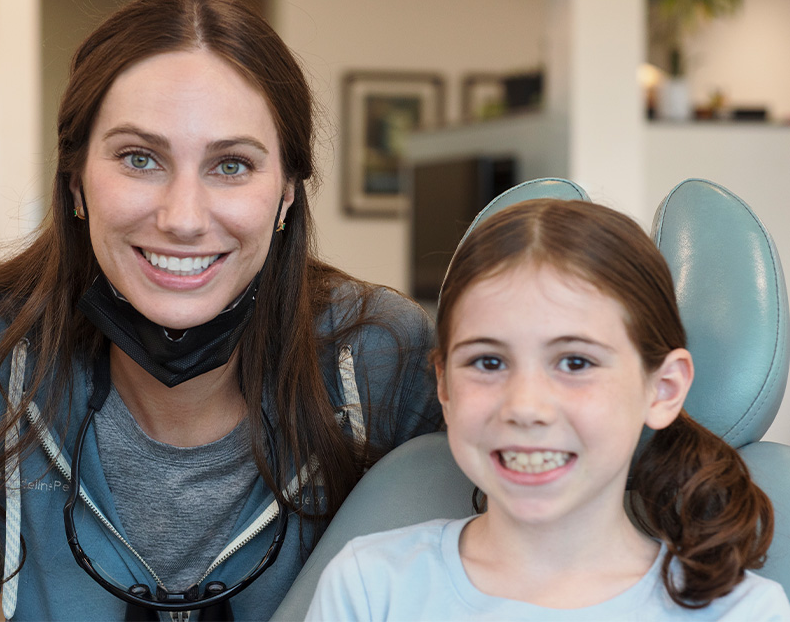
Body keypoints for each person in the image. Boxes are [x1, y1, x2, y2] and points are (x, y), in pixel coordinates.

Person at [0, 0, 441, 621]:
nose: (182, 218)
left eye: (231, 165)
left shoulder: (378, 359)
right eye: (139, 158)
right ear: (76, 181)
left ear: (288, 191)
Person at [305, 199, 790, 621]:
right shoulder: (369, 588)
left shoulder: (744, 612)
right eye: (488, 362)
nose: (526, 407)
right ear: (445, 388)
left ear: (662, 389)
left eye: (576, 362)